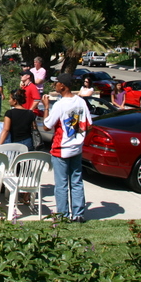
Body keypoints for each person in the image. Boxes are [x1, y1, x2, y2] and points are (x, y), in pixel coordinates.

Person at [41, 72, 92, 222]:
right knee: (76, 181)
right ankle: (78, 214)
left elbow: (46, 126)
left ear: (62, 86)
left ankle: (63, 215)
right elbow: (89, 125)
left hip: (61, 149)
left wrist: (46, 107)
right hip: (76, 148)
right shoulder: (80, 102)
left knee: (61, 184)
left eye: (57, 83)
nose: (55, 85)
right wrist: (79, 137)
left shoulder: (60, 105)